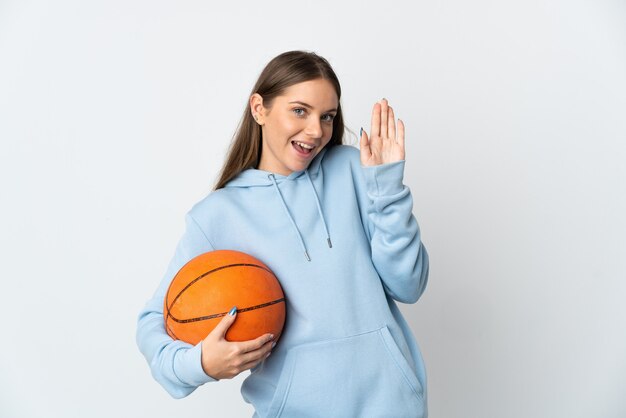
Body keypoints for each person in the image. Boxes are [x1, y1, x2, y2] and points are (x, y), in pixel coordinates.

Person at [136, 50, 430, 417]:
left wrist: (387, 189)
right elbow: (152, 325)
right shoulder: (217, 216)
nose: (316, 131)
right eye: (300, 111)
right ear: (259, 108)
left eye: (327, 117)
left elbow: (408, 284)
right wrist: (200, 364)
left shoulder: (356, 169)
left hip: (390, 407)